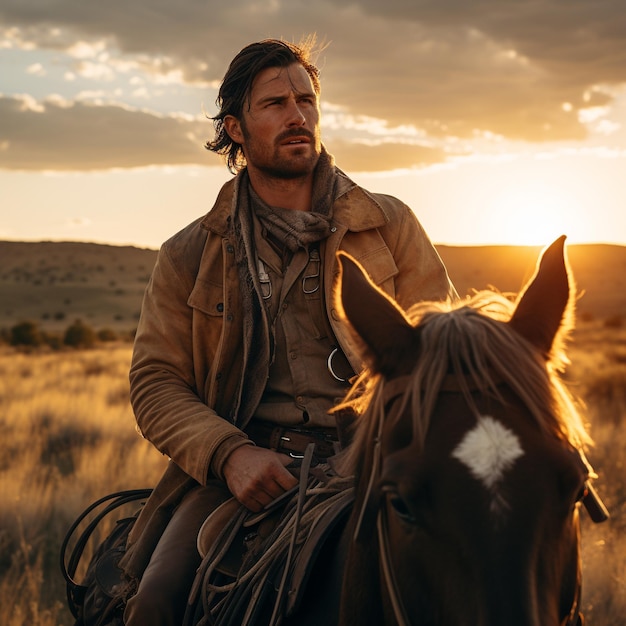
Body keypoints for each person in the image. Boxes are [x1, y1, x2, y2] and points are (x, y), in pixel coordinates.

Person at [120, 37, 457, 625]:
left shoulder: (388, 224)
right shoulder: (190, 254)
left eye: (305, 100)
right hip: (248, 473)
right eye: (274, 103)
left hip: (378, 462)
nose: (297, 116)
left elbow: (444, 355)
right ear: (236, 129)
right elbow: (155, 381)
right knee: (155, 603)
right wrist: (230, 455)